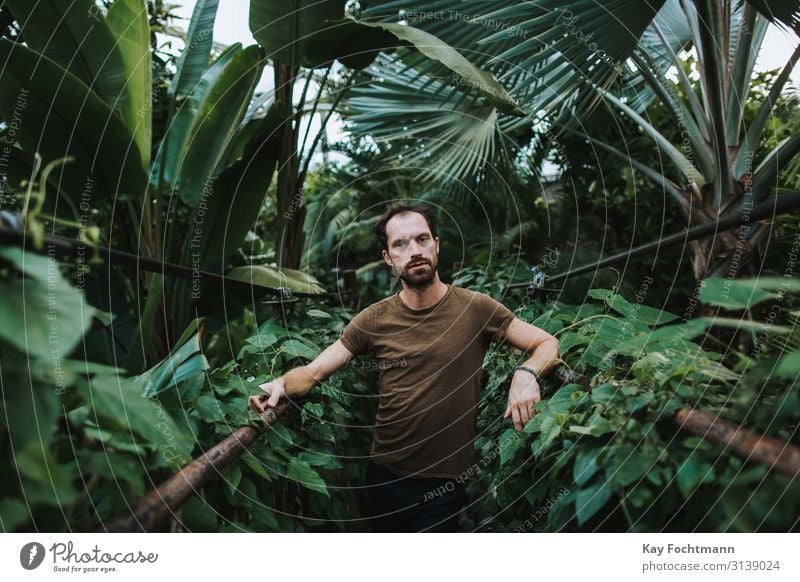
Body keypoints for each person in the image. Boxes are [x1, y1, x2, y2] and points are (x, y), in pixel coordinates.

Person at [248, 203, 560, 532]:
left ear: (436, 245)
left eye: (422, 239)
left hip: (445, 482)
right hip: (384, 476)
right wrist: (281, 383)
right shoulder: (373, 319)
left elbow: (547, 343)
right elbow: (314, 372)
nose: (414, 250)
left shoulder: (475, 308)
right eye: (400, 244)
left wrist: (526, 374)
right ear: (388, 257)